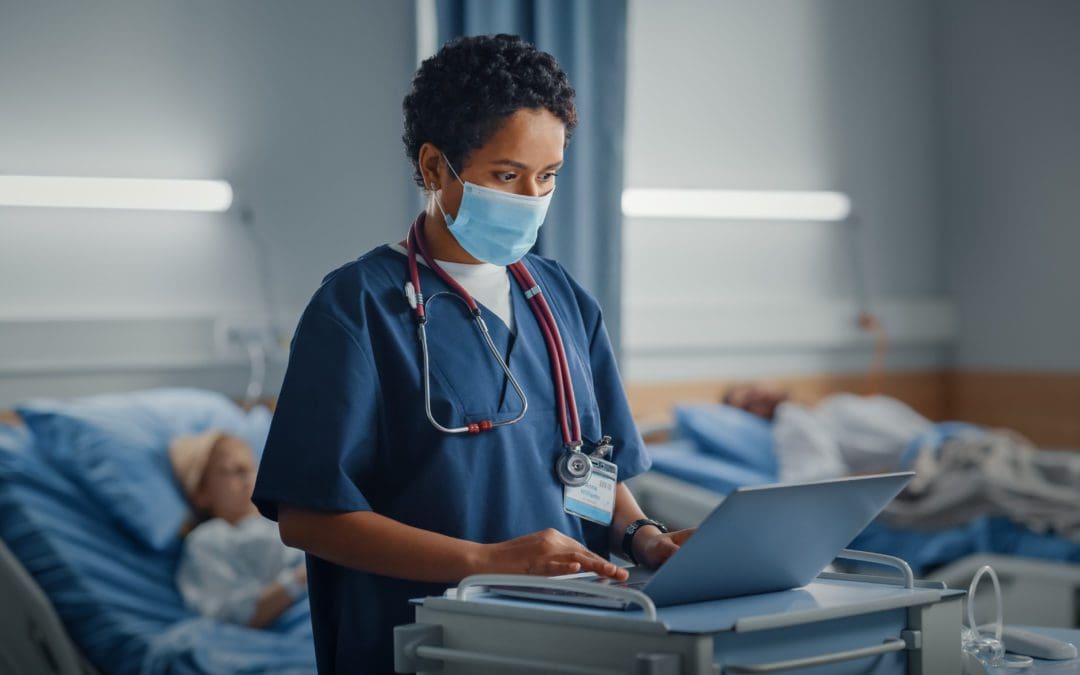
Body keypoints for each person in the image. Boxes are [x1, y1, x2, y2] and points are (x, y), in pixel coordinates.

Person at [251, 34, 691, 673]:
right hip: (425, 644)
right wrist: (486, 564)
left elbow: (591, 467)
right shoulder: (359, 307)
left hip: (568, 642)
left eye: (547, 177)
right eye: (506, 175)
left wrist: (641, 536)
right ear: (435, 168)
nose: (530, 198)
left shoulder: (562, 298)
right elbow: (308, 518)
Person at [170, 431, 307, 628]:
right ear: (202, 493)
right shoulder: (209, 539)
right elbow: (236, 616)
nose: (250, 479)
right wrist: (302, 577)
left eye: (251, 468)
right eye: (235, 470)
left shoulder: (278, 519)